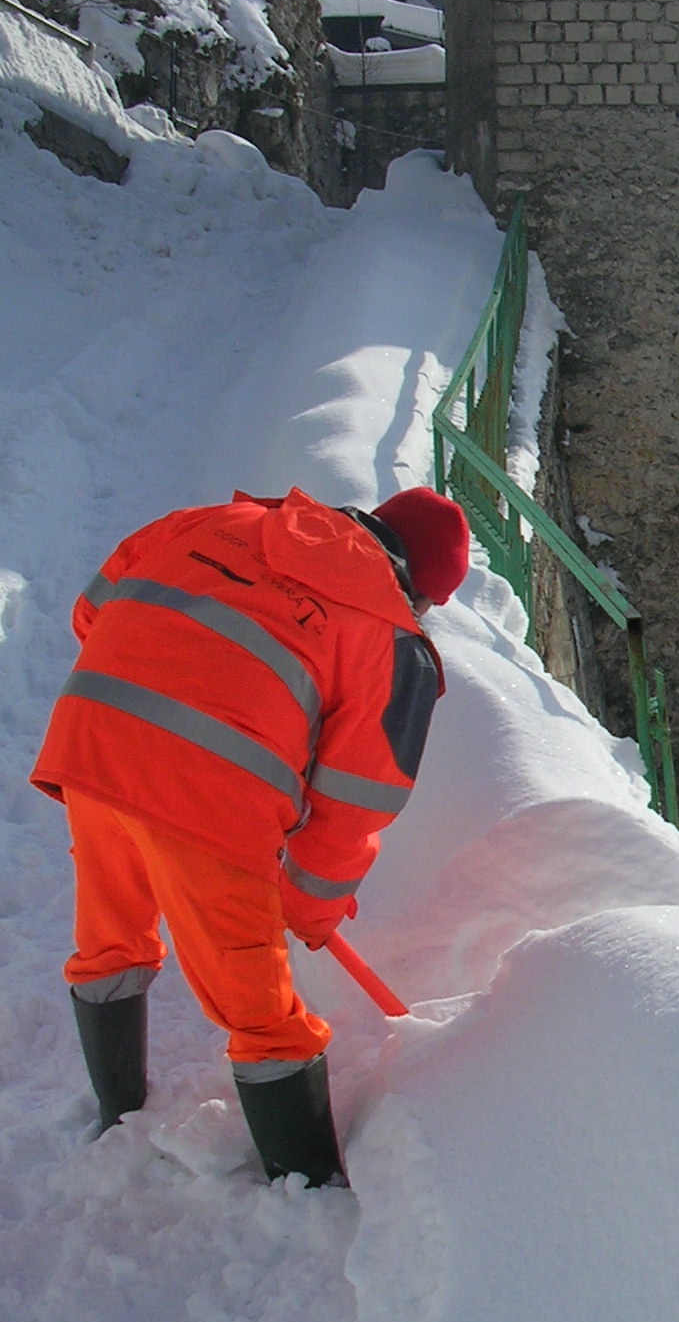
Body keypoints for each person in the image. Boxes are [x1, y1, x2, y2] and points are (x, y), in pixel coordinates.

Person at [32, 486, 469, 1184]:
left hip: (93, 740)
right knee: (259, 1006)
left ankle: (118, 1111)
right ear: (422, 590)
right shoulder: (389, 636)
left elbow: (94, 609)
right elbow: (357, 799)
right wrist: (309, 903)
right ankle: (305, 1186)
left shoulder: (217, 519)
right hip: (207, 798)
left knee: (110, 932)